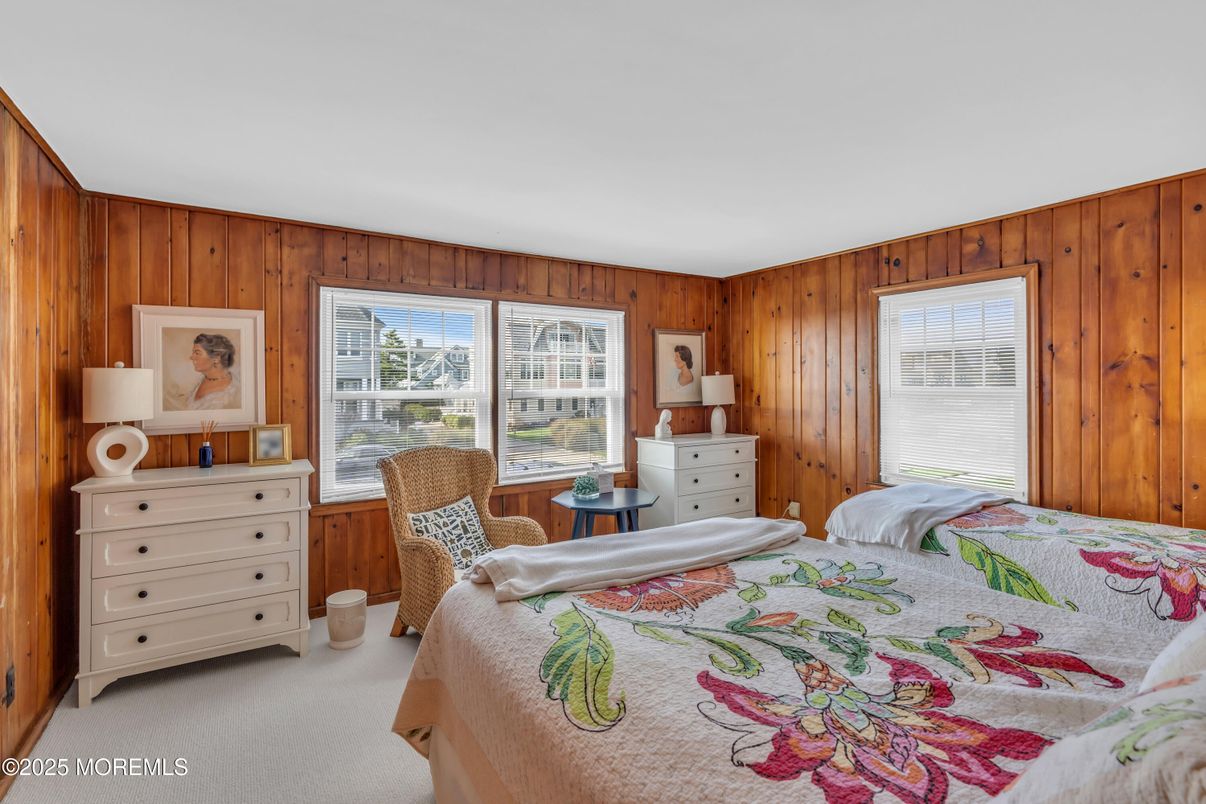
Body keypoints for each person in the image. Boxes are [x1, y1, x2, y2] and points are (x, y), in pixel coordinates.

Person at [173, 333, 241, 411]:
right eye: (193, 352)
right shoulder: (201, 379)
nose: (191, 357)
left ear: (216, 358)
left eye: (197, 353)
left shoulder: (231, 392)